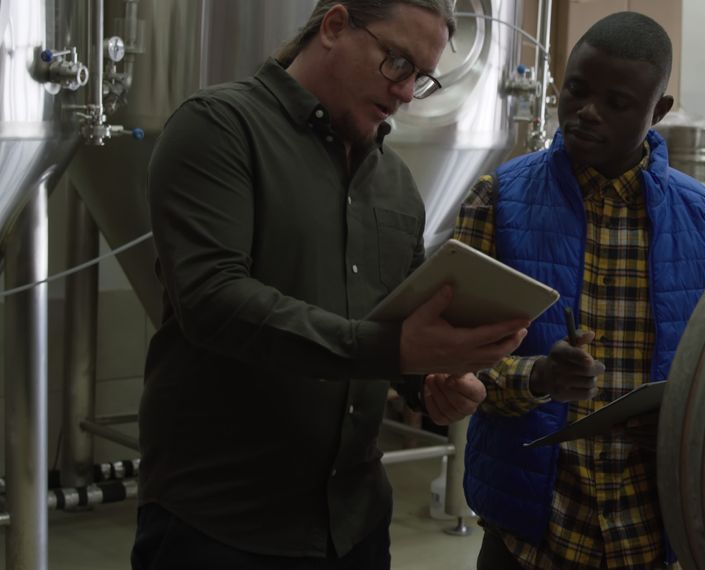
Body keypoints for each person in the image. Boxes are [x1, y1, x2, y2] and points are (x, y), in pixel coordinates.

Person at [131, 2, 530, 568]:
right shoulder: (219, 127)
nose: (407, 92)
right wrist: (392, 348)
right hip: (221, 525)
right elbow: (213, 301)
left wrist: (432, 380)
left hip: (355, 526)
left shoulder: (394, 182)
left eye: (422, 76)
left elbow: (393, 321)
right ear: (335, 25)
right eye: (397, 62)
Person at [454, 11, 705, 570]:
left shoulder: (701, 219)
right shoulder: (498, 201)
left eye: (616, 103)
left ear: (658, 112)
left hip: (649, 529)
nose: (587, 112)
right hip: (531, 530)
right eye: (576, 90)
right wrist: (537, 378)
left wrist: (683, 421)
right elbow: (452, 360)